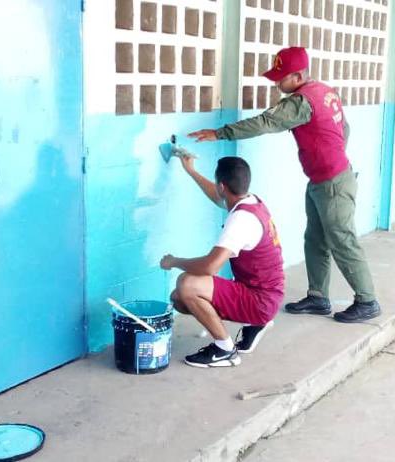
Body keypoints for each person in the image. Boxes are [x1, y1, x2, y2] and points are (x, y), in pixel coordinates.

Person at [188, 46, 380, 323]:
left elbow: (267, 122)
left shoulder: (301, 102)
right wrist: (332, 155)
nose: (277, 84)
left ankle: (367, 300)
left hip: (333, 184)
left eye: (282, 78)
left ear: (299, 75)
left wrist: (220, 133)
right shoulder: (325, 91)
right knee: (315, 240)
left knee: (342, 240)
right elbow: (345, 129)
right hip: (323, 179)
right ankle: (318, 296)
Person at [160, 155, 284, 368]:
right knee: (179, 299)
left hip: (260, 300)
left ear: (222, 186)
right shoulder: (251, 202)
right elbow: (218, 196)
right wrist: (191, 170)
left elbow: (210, 266)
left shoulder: (240, 221)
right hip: (265, 291)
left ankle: (225, 349)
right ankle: (255, 323)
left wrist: (174, 261)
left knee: (187, 284)